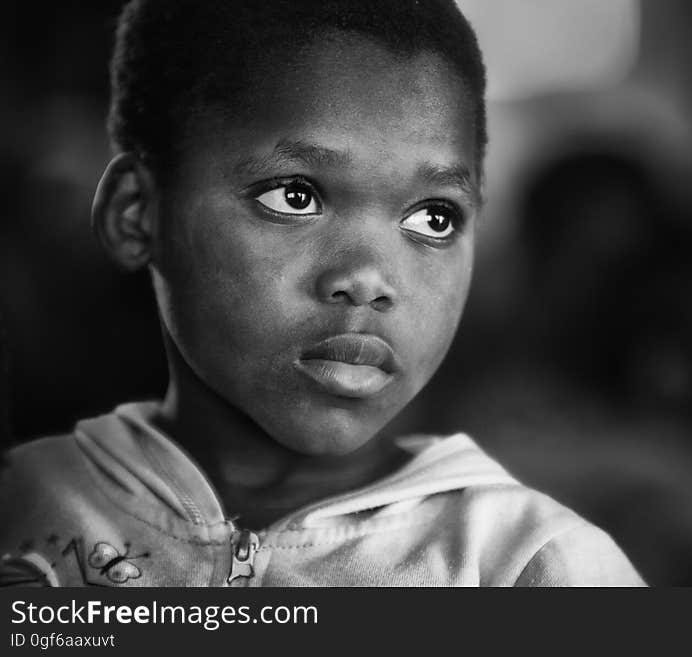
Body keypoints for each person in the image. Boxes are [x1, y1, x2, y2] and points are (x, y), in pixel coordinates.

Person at [0, 0, 643, 587]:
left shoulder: (528, 564)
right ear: (137, 214)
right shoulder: (27, 502)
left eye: (433, 218)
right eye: (295, 197)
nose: (367, 278)